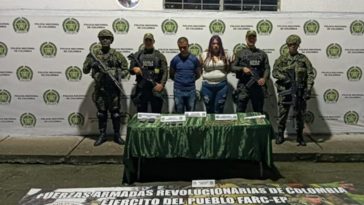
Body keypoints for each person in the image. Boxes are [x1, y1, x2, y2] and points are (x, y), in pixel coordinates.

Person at [83, 29, 129, 146]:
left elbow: (125, 69)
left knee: (116, 113)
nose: (105, 40)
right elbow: (85, 70)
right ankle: (102, 134)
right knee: (101, 113)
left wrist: (115, 73)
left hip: (113, 89)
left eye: (107, 38)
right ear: (99, 40)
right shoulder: (94, 54)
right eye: (102, 38)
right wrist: (92, 64)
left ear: (111, 40)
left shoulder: (116, 55)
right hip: (100, 89)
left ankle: (117, 135)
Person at [273, 34, 315, 146]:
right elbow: (274, 72)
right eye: (290, 44)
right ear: (287, 45)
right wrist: (284, 78)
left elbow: (310, 74)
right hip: (285, 91)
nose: (292, 46)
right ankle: (280, 134)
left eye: (294, 44)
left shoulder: (303, 59)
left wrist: (308, 88)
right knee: (282, 114)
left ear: (298, 45)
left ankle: (300, 136)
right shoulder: (281, 59)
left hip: (299, 91)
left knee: (300, 115)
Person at [232, 29, 270, 113]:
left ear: (256, 39)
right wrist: (242, 69)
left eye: (253, 37)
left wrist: (264, 79)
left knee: (258, 112)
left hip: (257, 87)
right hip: (243, 87)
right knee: (240, 112)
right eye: (249, 37)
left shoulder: (262, 54)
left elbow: (267, 68)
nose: (251, 39)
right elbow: (232, 67)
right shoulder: (240, 53)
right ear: (246, 39)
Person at [129, 33, 168, 113]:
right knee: (142, 115)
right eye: (146, 40)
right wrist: (134, 69)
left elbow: (165, 71)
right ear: (143, 41)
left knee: (156, 114)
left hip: (155, 88)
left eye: (150, 40)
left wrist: (162, 85)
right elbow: (130, 70)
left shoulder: (159, 56)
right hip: (142, 89)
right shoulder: (137, 55)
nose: (148, 42)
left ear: (153, 41)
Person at [199, 35, 230, 114]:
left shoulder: (226, 55)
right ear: (210, 44)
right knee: (209, 109)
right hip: (207, 86)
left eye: (218, 43)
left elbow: (229, 68)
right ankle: (210, 126)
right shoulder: (203, 55)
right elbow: (198, 69)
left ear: (220, 45)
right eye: (213, 43)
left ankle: (219, 126)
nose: (216, 45)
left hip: (222, 86)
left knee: (219, 109)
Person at [170, 37, 201, 113]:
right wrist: (180, 81)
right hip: (178, 90)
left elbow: (198, 74)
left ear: (188, 45)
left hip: (191, 90)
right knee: (179, 114)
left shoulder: (194, 59)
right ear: (178, 46)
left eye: (184, 47)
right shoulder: (175, 60)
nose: (182, 49)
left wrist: (189, 81)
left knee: (191, 115)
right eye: (180, 48)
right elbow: (171, 75)